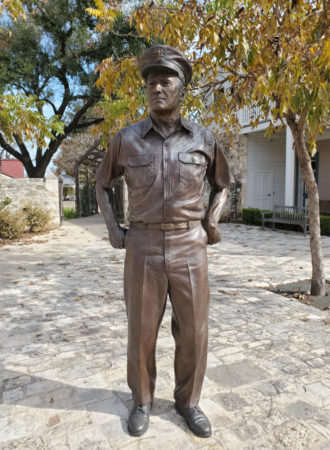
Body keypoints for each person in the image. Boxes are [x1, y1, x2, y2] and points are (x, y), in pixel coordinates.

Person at [95, 45, 231, 438]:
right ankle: (141, 400)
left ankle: (188, 401)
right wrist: (113, 229)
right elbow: (102, 184)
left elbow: (223, 185)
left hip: (191, 245)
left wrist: (212, 219)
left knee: (193, 330)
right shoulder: (126, 139)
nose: (156, 87)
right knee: (141, 329)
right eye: (151, 82)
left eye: (165, 80)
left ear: (181, 89)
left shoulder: (204, 139)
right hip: (142, 245)